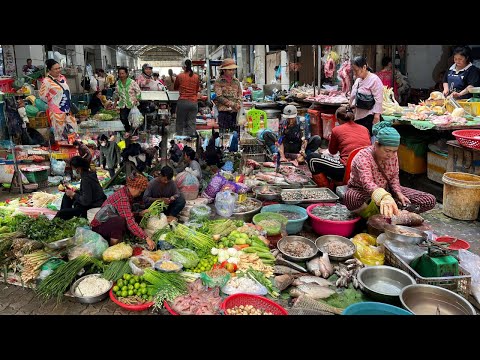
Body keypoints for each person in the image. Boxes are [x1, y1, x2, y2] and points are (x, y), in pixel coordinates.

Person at [344, 121, 436, 218]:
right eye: (387, 151)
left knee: (429, 200)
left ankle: (397, 214)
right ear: (376, 145)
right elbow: (367, 183)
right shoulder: (363, 157)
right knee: (350, 198)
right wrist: (384, 197)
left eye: (394, 151)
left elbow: (394, 177)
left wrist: (398, 193)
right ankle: (375, 216)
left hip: (387, 190)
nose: (391, 155)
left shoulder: (393, 155)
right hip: (363, 192)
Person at [307, 106, 371, 187]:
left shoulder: (337, 130)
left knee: (312, 159)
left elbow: (332, 151)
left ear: (339, 120)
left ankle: (326, 189)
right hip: (365, 167)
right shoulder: (365, 129)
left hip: (347, 169)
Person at [91, 172, 155, 250]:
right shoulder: (123, 198)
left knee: (133, 218)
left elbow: (125, 213)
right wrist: (146, 238)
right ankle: (113, 248)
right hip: (100, 227)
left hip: (108, 224)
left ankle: (119, 240)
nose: (139, 194)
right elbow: (129, 221)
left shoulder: (126, 192)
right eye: (140, 191)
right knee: (119, 221)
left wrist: (139, 214)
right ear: (134, 188)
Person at [55, 156, 106, 221]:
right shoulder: (89, 175)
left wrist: (73, 194)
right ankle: (66, 216)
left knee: (61, 213)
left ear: (78, 168)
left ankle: (64, 216)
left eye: (73, 168)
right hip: (94, 202)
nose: (73, 171)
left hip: (93, 208)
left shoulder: (86, 179)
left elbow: (86, 201)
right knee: (67, 196)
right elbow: (87, 192)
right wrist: (75, 192)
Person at [39, 59, 78, 141]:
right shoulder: (46, 82)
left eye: (59, 68)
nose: (58, 70)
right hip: (56, 113)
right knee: (59, 135)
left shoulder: (63, 78)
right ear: (49, 70)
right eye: (56, 69)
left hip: (68, 110)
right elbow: (42, 96)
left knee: (73, 131)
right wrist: (53, 101)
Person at [349, 56, 384, 137]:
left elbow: (379, 100)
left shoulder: (374, 80)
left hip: (368, 118)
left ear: (364, 67)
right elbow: (353, 96)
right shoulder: (358, 80)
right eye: (353, 70)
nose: (354, 73)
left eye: (356, 70)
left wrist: (377, 116)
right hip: (357, 116)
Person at [214, 58, 243, 133]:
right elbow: (219, 97)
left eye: (233, 70)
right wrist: (233, 104)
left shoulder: (236, 81)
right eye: (230, 70)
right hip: (224, 112)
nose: (232, 72)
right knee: (224, 136)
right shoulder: (218, 82)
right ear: (224, 70)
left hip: (234, 112)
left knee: (235, 135)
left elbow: (240, 93)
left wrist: (238, 102)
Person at [174, 59, 201, 137]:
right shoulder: (196, 76)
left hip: (183, 101)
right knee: (191, 122)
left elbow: (175, 87)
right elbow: (196, 89)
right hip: (193, 102)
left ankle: (179, 140)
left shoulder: (180, 76)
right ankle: (191, 142)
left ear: (183, 67)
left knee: (180, 122)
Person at [113, 66, 141, 135]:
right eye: (120, 73)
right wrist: (115, 103)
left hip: (132, 104)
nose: (121, 75)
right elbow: (116, 94)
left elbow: (138, 92)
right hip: (123, 104)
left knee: (134, 120)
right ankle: (128, 130)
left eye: (123, 73)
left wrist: (136, 100)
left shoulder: (132, 82)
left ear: (126, 74)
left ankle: (135, 133)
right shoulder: (117, 83)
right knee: (123, 118)